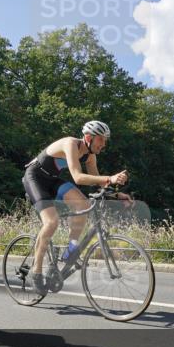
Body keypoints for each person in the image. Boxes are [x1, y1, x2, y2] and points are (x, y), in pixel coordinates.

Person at [21, 120, 131, 296]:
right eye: (101, 140)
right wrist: (110, 177)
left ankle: (70, 249)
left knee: (83, 203)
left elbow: (98, 184)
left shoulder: (90, 156)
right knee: (51, 222)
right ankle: (36, 270)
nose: (104, 144)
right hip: (35, 178)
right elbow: (78, 177)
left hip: (52, 180)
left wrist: (117, 195)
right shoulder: (70, 144)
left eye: (105, 141)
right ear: (88, 137)